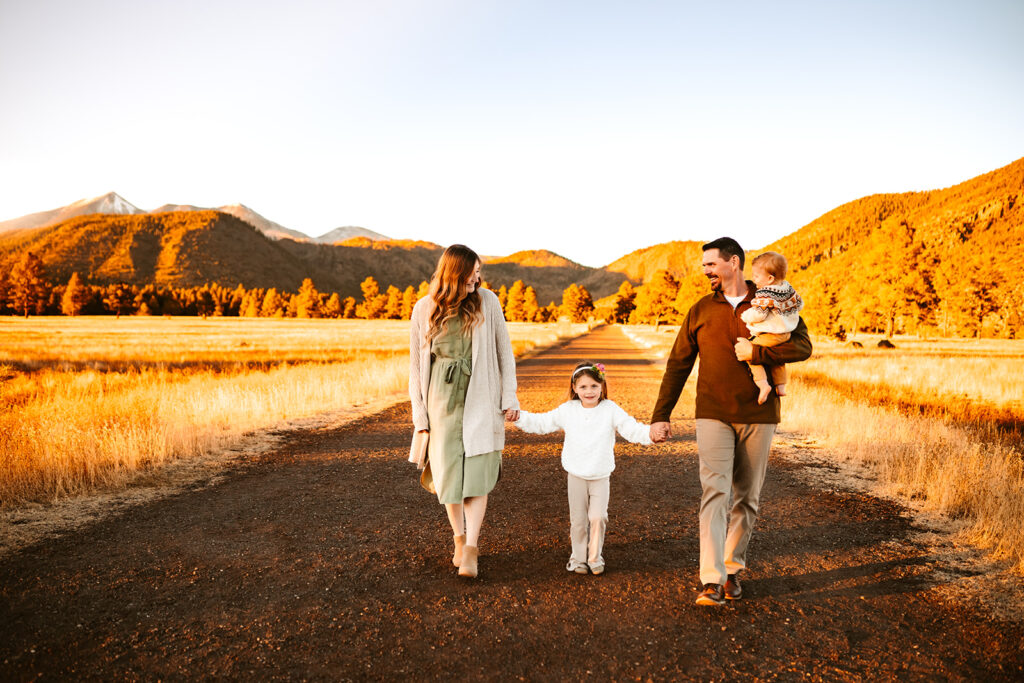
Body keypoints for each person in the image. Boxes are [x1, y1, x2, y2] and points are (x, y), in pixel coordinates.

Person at [650, 237, 812, 606]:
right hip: (712, 413)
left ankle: (732, 570)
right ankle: (711, 579)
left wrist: (756, 351)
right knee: (715, 492)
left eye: (710, 264)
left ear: (733, 263)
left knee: (747, 498)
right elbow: (678, 365)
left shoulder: (771, 299)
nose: (705, 270)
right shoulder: (701, 309)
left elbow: (803, 346)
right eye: (704, 265)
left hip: (759, 414)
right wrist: (661, 415)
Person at [409, 244, 520, 579]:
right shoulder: (423, 309)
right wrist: (420, 417)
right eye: (472, 270)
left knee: (477, 475)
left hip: (481, 398)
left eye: (479, 269)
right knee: (448, 477)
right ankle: (458, 538)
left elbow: (505, 353)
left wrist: (509, 397)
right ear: (454, 272)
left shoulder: (488, 301)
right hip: (440, 402)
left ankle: (471, 548)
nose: (477, 275)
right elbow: (416, 368)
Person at [508, 361, 655, 576]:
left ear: (602, 387)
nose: (589, 391)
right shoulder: (568, 410)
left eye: (594, 386)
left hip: (600, 475)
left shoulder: (610, 409)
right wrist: (519, 417)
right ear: (575, 388)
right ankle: (577, 559)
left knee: (598, 517)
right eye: (584, 387)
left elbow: (631, 428)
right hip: (576, 474)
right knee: (578, 521)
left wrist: (651, 434)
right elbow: (542, 422)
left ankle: (595, 557)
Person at [739, 251, 804, 404]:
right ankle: (781, 386)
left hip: (771, 334)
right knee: (776, 360)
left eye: (756, 276)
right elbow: (800, 304)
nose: (754, 279)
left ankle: (763, 385)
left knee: (751, 353)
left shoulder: (765, 294)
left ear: (769, 279)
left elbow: (759, 315)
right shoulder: (787, 289)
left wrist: (745, 315)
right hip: (786, 333)